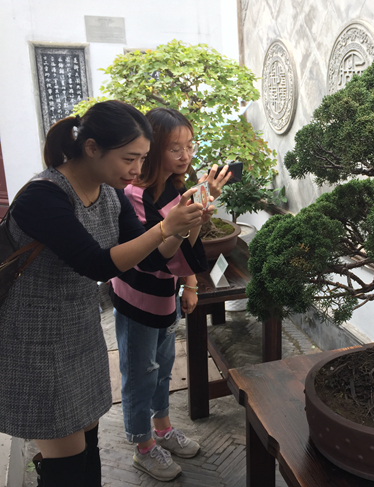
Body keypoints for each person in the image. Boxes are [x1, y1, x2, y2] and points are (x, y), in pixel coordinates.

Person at [0, 101, 211, 487]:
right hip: (34, 342)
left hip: (80, 332)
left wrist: (183, 224)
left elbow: (150, 259)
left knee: (89, 445)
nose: (137, 170)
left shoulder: (111, 195)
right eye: (130, 158)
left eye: (143, 158)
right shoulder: (43, 196)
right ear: (92, 147)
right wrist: (165, 228)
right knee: (67, 462)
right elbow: (96, 264)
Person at [110, 107, 231, 481]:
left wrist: (198, 213)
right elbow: (154, 257)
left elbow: (184, 249)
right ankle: (143, 445)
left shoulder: (176, 189)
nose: (186, 155)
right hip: (137, 299)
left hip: (166, 296)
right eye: (175, 148)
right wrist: (180, 223)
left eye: (190, 146)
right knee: (139, 374)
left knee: (163, 368)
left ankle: (162, 428)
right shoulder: (133, 195)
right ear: (153, 147)